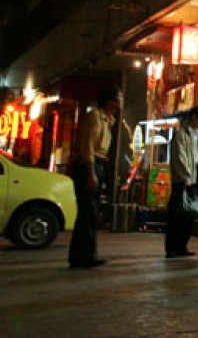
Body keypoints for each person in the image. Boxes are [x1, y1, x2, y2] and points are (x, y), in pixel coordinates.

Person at [69, 86, 121, 270]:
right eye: (119, 98)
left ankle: (83, 255)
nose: (121, 101)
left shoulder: (110, 120)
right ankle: (83, 257)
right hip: (87, 166)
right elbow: (88, 147)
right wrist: (91, 173)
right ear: (110, 101)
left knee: (90, 212)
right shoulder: (95, 117)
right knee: (88, 211)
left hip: (99, 165)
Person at [165, 105, 198, 259]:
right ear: (193, 117)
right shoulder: (181, 133)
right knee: (177, 214)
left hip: (196, 176)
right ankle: (172, 248)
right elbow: (180, 156)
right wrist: (185, 176)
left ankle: (182, 246)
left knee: (190, 213)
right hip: (183, 178)